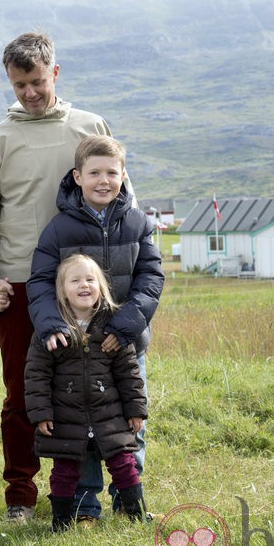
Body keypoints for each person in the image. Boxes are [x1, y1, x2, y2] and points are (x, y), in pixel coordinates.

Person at [0, 31, 131, 522]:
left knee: (101, 386)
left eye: (37, 81)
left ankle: (108, 488)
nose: (30, 93)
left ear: (54, 73)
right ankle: (20, 494)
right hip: (17, 284)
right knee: (23, 391)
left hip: (84, 286)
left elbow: (121, 196)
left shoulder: (88, 125)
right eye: (19, 85)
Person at [27, 134, 163, 522]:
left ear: (123, 175)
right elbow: (39, 281)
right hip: (73, 350)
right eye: (94, 173)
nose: (104, 181)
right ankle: (85, 504)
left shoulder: (138, 224)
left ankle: (128, 499)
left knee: (129, 422)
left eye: (112, 172)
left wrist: (123, 328)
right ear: (78, 176)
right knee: (77, 431)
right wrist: (52, 323)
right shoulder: (58, 230)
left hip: (123, 345)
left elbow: (150, 278)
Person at [24, 254, 148, 531]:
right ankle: (62, 521)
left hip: (110, 413)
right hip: (65, 416)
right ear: (62, 290)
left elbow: (129, 372)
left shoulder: (113, 327)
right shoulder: (51, 330)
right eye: (75, 280)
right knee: (65, 470)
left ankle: (135, 512)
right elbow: (36, 376)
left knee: (124, 463)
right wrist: (41, 413)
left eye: (91, 279)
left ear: (101, 287)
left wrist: (136, 409)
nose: (84, 285)